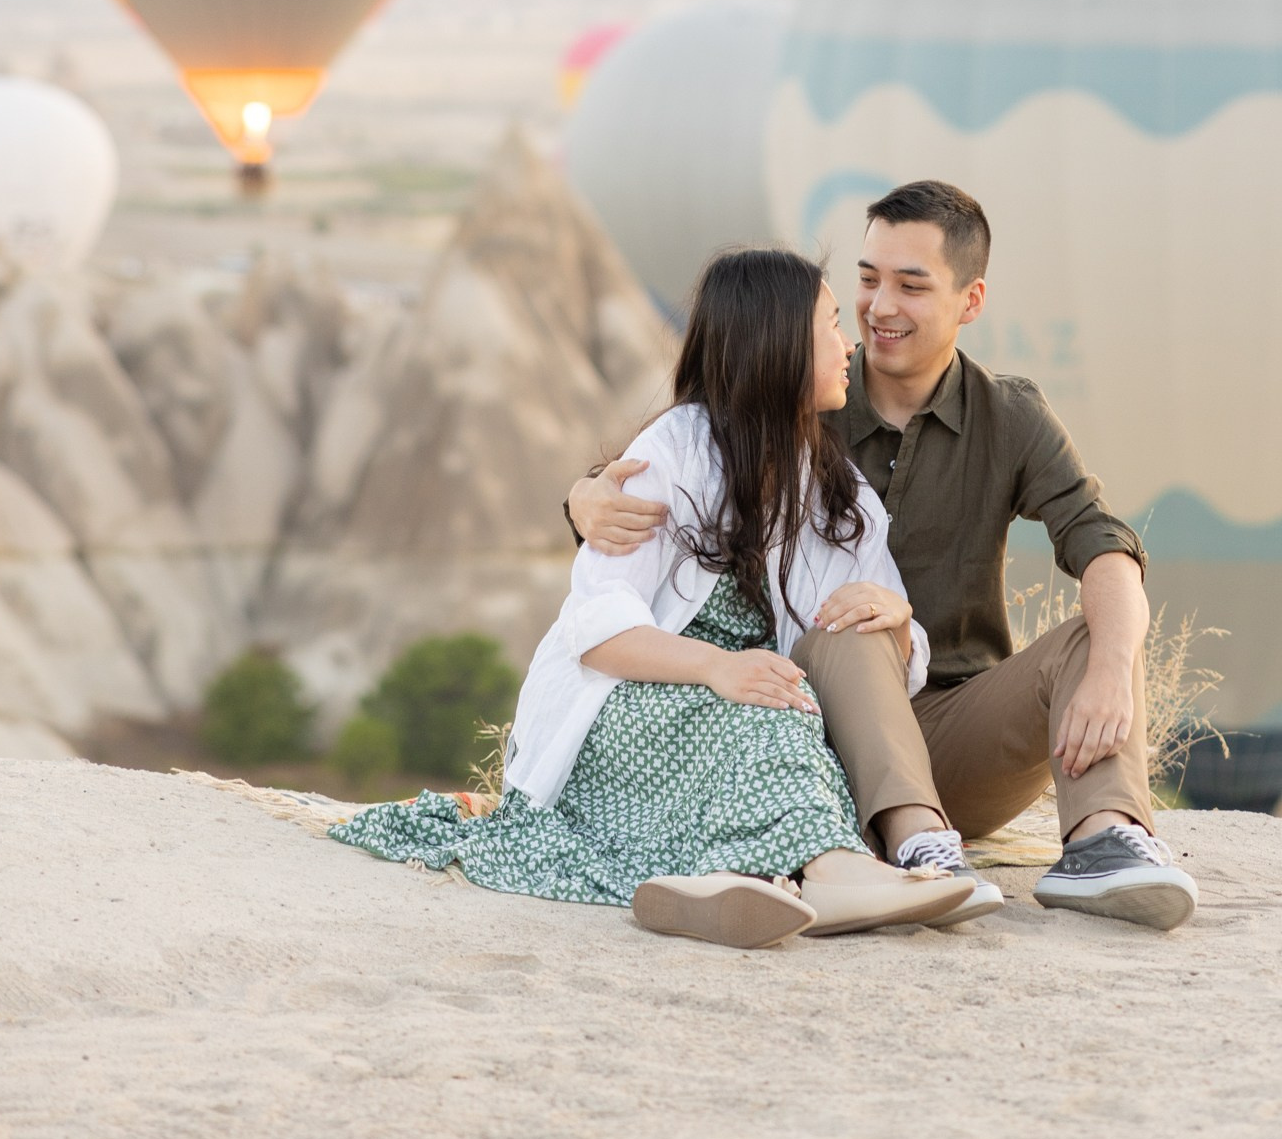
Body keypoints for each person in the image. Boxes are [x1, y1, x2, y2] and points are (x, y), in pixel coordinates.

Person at [570, 180, 1198, 933]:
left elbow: (1101, 542)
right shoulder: (806, 400)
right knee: (849, 625)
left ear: (970, 301)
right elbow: (687, 472)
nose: (880, 307)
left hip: (953, 729)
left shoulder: (1009, 417)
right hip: (813, 730)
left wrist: (1111, 673)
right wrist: (583, 498)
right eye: (867, 280)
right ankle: (914, 849)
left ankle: (1105, 843)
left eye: (912, 285)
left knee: (1101, 631)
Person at [331, 245, 974, 949]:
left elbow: (887, 660)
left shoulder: (833, 489)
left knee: (781, 711)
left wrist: (896, 621)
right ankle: (834, 874)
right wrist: (717, 668)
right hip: (631, 707)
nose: (847, 344)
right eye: (830, 324)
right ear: (781, 343)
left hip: (750, 708)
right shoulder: (669, 454)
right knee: (768, 718)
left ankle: (725, 886)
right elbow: (598, 631)